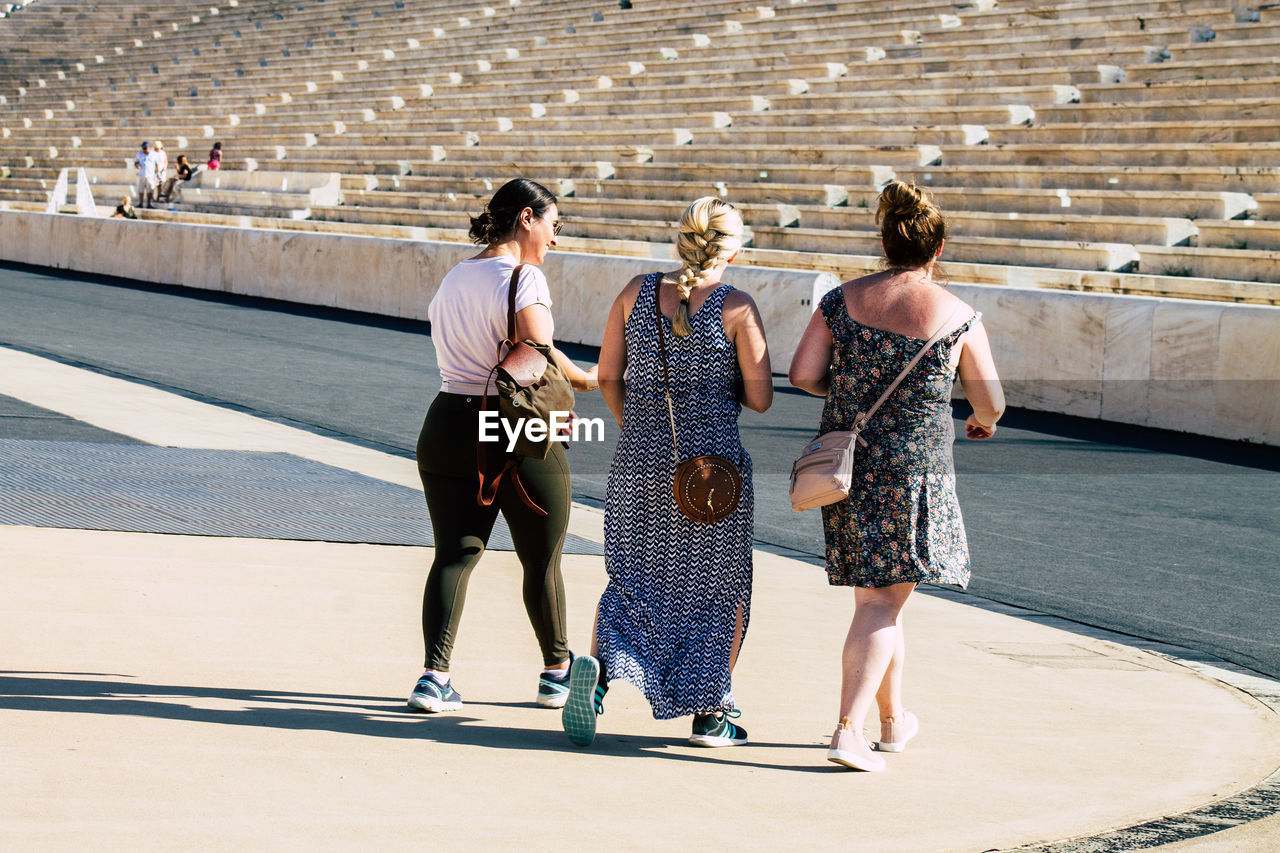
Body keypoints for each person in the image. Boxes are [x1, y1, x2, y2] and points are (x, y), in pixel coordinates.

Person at [787, 181, 1004, 772]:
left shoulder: (840, 299)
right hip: (914, 473)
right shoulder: (958, 314)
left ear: (884, 244)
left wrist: (852, 385)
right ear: (937, 251)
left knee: (878, 599)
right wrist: (981, 422)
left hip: (850, 469)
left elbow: (804, 373)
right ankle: (848, 731)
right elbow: (991, 401)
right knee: (883, 602)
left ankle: (892, 721)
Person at [561, 197, 772, 748]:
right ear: (733, 246)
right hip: (713, 471)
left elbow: (608, 376)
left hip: (639, 459)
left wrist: (638, 425)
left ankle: (602, 677)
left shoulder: (635, 292)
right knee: (718, 587)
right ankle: (709, 711)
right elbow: (763, 398)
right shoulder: (737, 308)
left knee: (633, 578)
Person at [407, 178, 599, 713]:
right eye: (553, 226)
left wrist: (577, 375)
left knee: (454, 555)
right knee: (543, 557)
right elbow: (534, 351)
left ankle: (432, 678)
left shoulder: (455, 276)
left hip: (446, 419)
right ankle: (557, 673)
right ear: (526, 218)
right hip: (510, 427)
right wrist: (580, 383)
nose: (555, 240)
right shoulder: (524, 276)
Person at [133, 140, 158, 209]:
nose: (144, 149)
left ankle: (149, 204)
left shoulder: (154, 154)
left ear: (149, 147)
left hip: (150, 175)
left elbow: (156, 164)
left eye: (145, 148)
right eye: (143, 148)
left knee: (149, 190)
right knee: (140, 190)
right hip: (141, 174)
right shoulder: (139, 154)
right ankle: (140, 203)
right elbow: (136, 162)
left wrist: (157, 173)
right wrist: (137, 165)